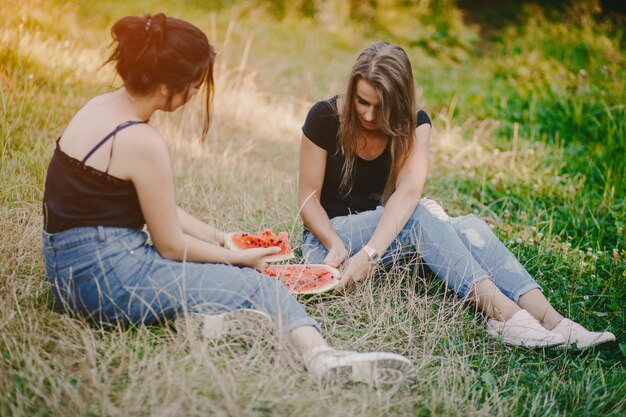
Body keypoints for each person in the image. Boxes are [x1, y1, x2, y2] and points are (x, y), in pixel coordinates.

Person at [41, 14, 416, 386]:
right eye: (193, 84)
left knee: (221, 272)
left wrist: (220, 237)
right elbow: (169, 245)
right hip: (104, 281)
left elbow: (151, 207)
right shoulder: (143, 142)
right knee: (259, 283)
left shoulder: (99, 108)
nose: (194, 94)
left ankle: (211, 318)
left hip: (67, 271)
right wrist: (238, 258)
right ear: (165, 84)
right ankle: (321, 357)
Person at [297, 41, 615, 350]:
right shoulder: (324, 117)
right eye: (362, 102)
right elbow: (308, 199)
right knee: (421, 215)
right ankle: (506, 316)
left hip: (380, 246)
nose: (368, 115)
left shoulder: (416, 124)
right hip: (329, 244)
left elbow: (408, 192)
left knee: (470, 226)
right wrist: (336, 243)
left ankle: (554, 321)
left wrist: (370, 253)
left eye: (380, 107)